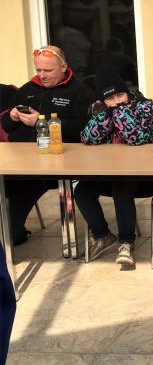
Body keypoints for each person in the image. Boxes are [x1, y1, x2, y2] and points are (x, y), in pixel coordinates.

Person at [0, 45, 93, 244]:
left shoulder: (80, 91)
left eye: (48, 70)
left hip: (57, 161)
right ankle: (10, 232)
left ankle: (10, 234)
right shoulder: (27, 89)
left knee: (22, 190)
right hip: (20, 159)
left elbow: (85, 127)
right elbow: (6, 126)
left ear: (63, 67)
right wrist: (13, 116)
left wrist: (42, 122)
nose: (42, 75)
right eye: (38, 70)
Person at [73, 67, 153, 267]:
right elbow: (88, 138)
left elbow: (136, 139)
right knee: (82, 191)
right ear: (103, 101)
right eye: (110, 98)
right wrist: (105, 115)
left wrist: (118, 113)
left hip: (142, 171)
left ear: (127, 93)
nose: (117, 101)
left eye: (120, 95)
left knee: (121, 189)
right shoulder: (100, 110)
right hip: (110, 170)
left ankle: (126, 243)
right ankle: (102, 235)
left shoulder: (145, 106)